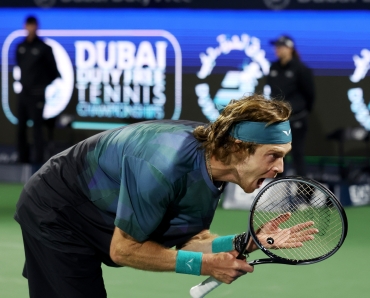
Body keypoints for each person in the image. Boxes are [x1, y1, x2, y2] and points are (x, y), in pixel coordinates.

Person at [15, 94, 318, 297]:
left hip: (100, 216)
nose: (280, 168)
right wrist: (207, 266)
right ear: (239, 148)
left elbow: (191, 240)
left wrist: (248, 241)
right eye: (273, 155)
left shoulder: (217, 168)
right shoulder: (164, 164)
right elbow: (124, 250)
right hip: (58, 212)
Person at [267, 35, 315, 177]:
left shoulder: (301, 69)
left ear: (289, 49)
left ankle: (304, 192)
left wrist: (299, 111)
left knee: (297, 154)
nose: (277, 50)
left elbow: (310, 95)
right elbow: (271, 91)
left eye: (280, 47)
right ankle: (278, 191)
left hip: (297, 119)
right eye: (276, 47)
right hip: (278, 120)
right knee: (277, 155)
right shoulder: (273, 67)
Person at [15, 15, 60, 164]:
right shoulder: (20, 48)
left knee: (37, 129)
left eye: (33, 25)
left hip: (37, 95)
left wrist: (41, 86)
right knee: (20, 128)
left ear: (37, 26)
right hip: (24, 94)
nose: (30, 28)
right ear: (25, 27)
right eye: (28, 25)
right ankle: (22, 160)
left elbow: (54, 72)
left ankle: (38, 162)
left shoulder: (44, 48)